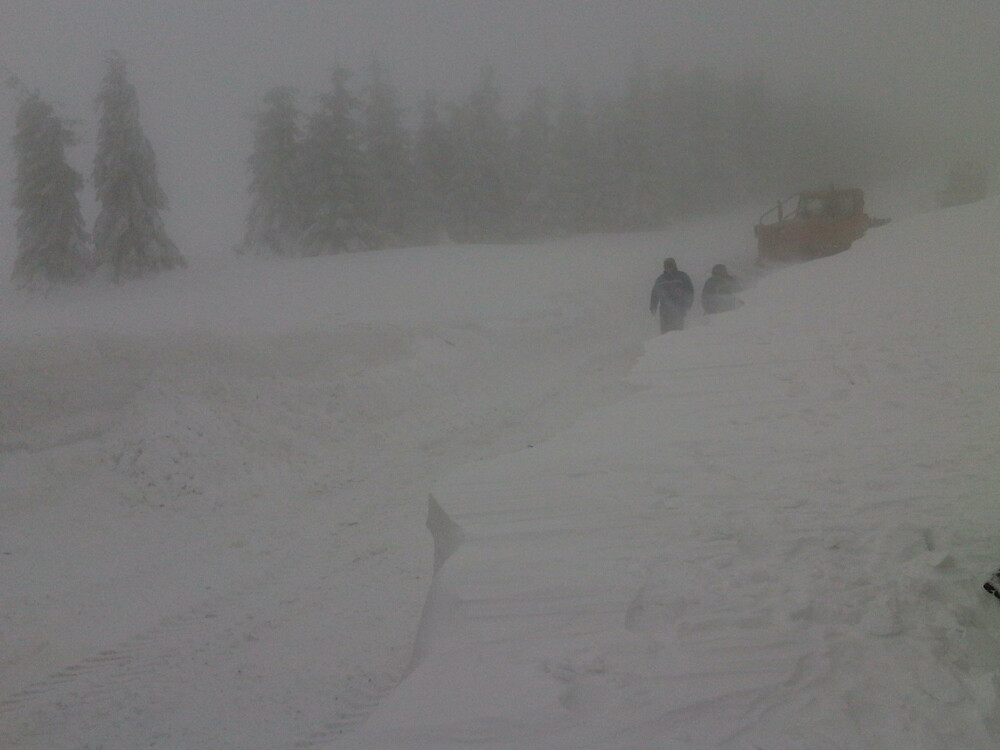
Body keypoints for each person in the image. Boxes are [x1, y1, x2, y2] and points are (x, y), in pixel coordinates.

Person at [649, 257, 694, 334]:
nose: (669, 268)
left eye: (671, 265)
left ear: (674, 266)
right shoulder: (660, 279)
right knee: (665, 332)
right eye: (667, 266)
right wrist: (653, 306)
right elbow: (655, 294)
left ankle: (677, 345)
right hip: (665, 310)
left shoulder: (682, 276)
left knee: (678, 331)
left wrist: (688, 304)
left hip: (679, 308)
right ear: (664, 267)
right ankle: (666, 345)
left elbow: (689, 291)